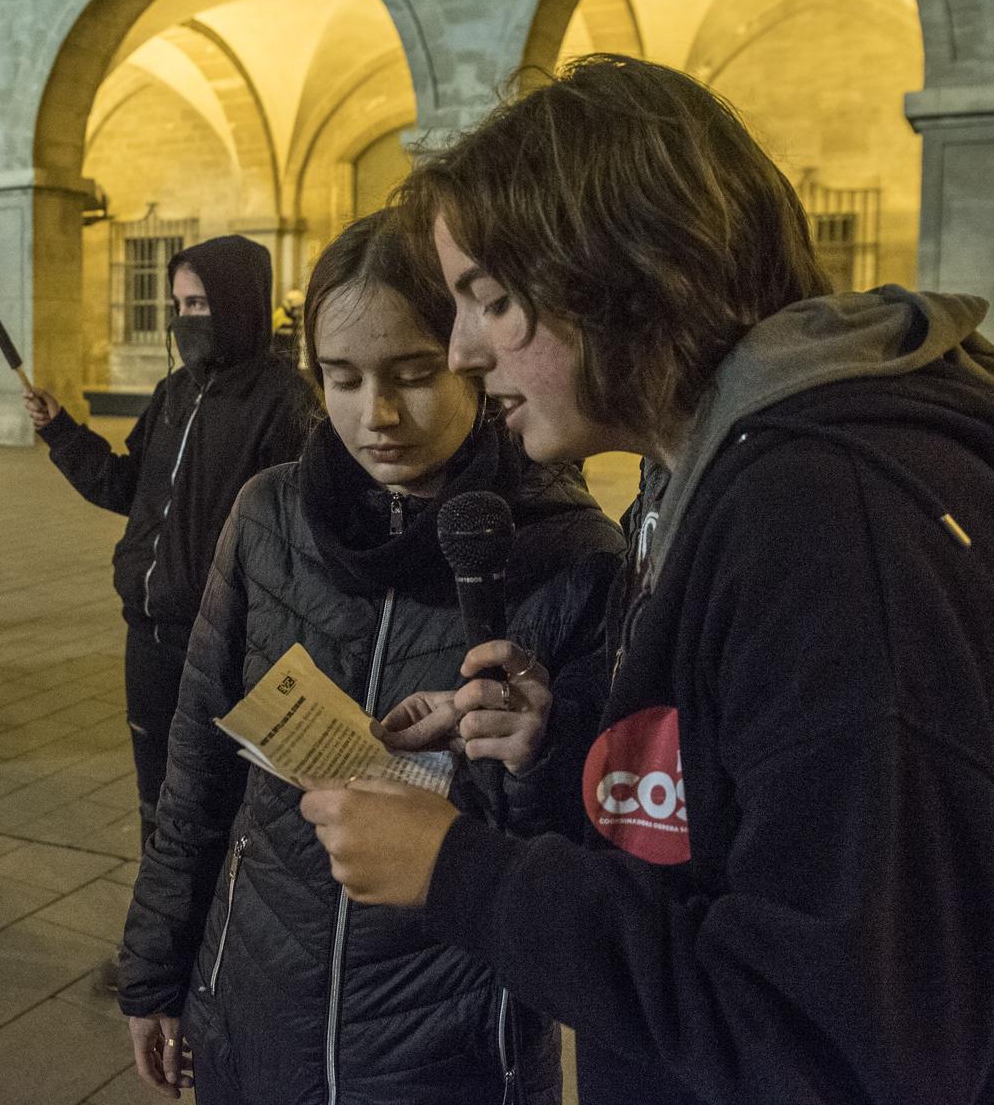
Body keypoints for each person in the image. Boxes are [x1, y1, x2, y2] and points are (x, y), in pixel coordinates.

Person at [302, 55, 994, 1104]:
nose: (459, 353)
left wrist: (462, 874)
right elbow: (743, 812)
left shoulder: (824, 528)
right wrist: (570, 741)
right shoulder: (711, 476)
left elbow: (831, 1039)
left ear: (623, 275)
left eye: (489, 301)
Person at [117, 210, 623, 1104]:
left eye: (413, 375)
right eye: (342, 379)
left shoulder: (570, 551)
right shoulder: (268, 516)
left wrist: (541, 747)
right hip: (259, 1000)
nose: (376, 415)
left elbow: (593, 850)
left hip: (454, 1037)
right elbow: (195, 764)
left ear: (468, 353)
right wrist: (156, 968)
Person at [25, 234, 317, 850]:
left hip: (222, 644)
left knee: (213, 804)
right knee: (155, 800)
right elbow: (128, 486)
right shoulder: (174, 395)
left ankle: (212, 933)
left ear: (239, 305)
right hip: (149, 637)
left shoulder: (280, 400)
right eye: (180, 307)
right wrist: (61, 432)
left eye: (201, 305)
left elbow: (298, 536)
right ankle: (157, 930)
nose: (187, 320)